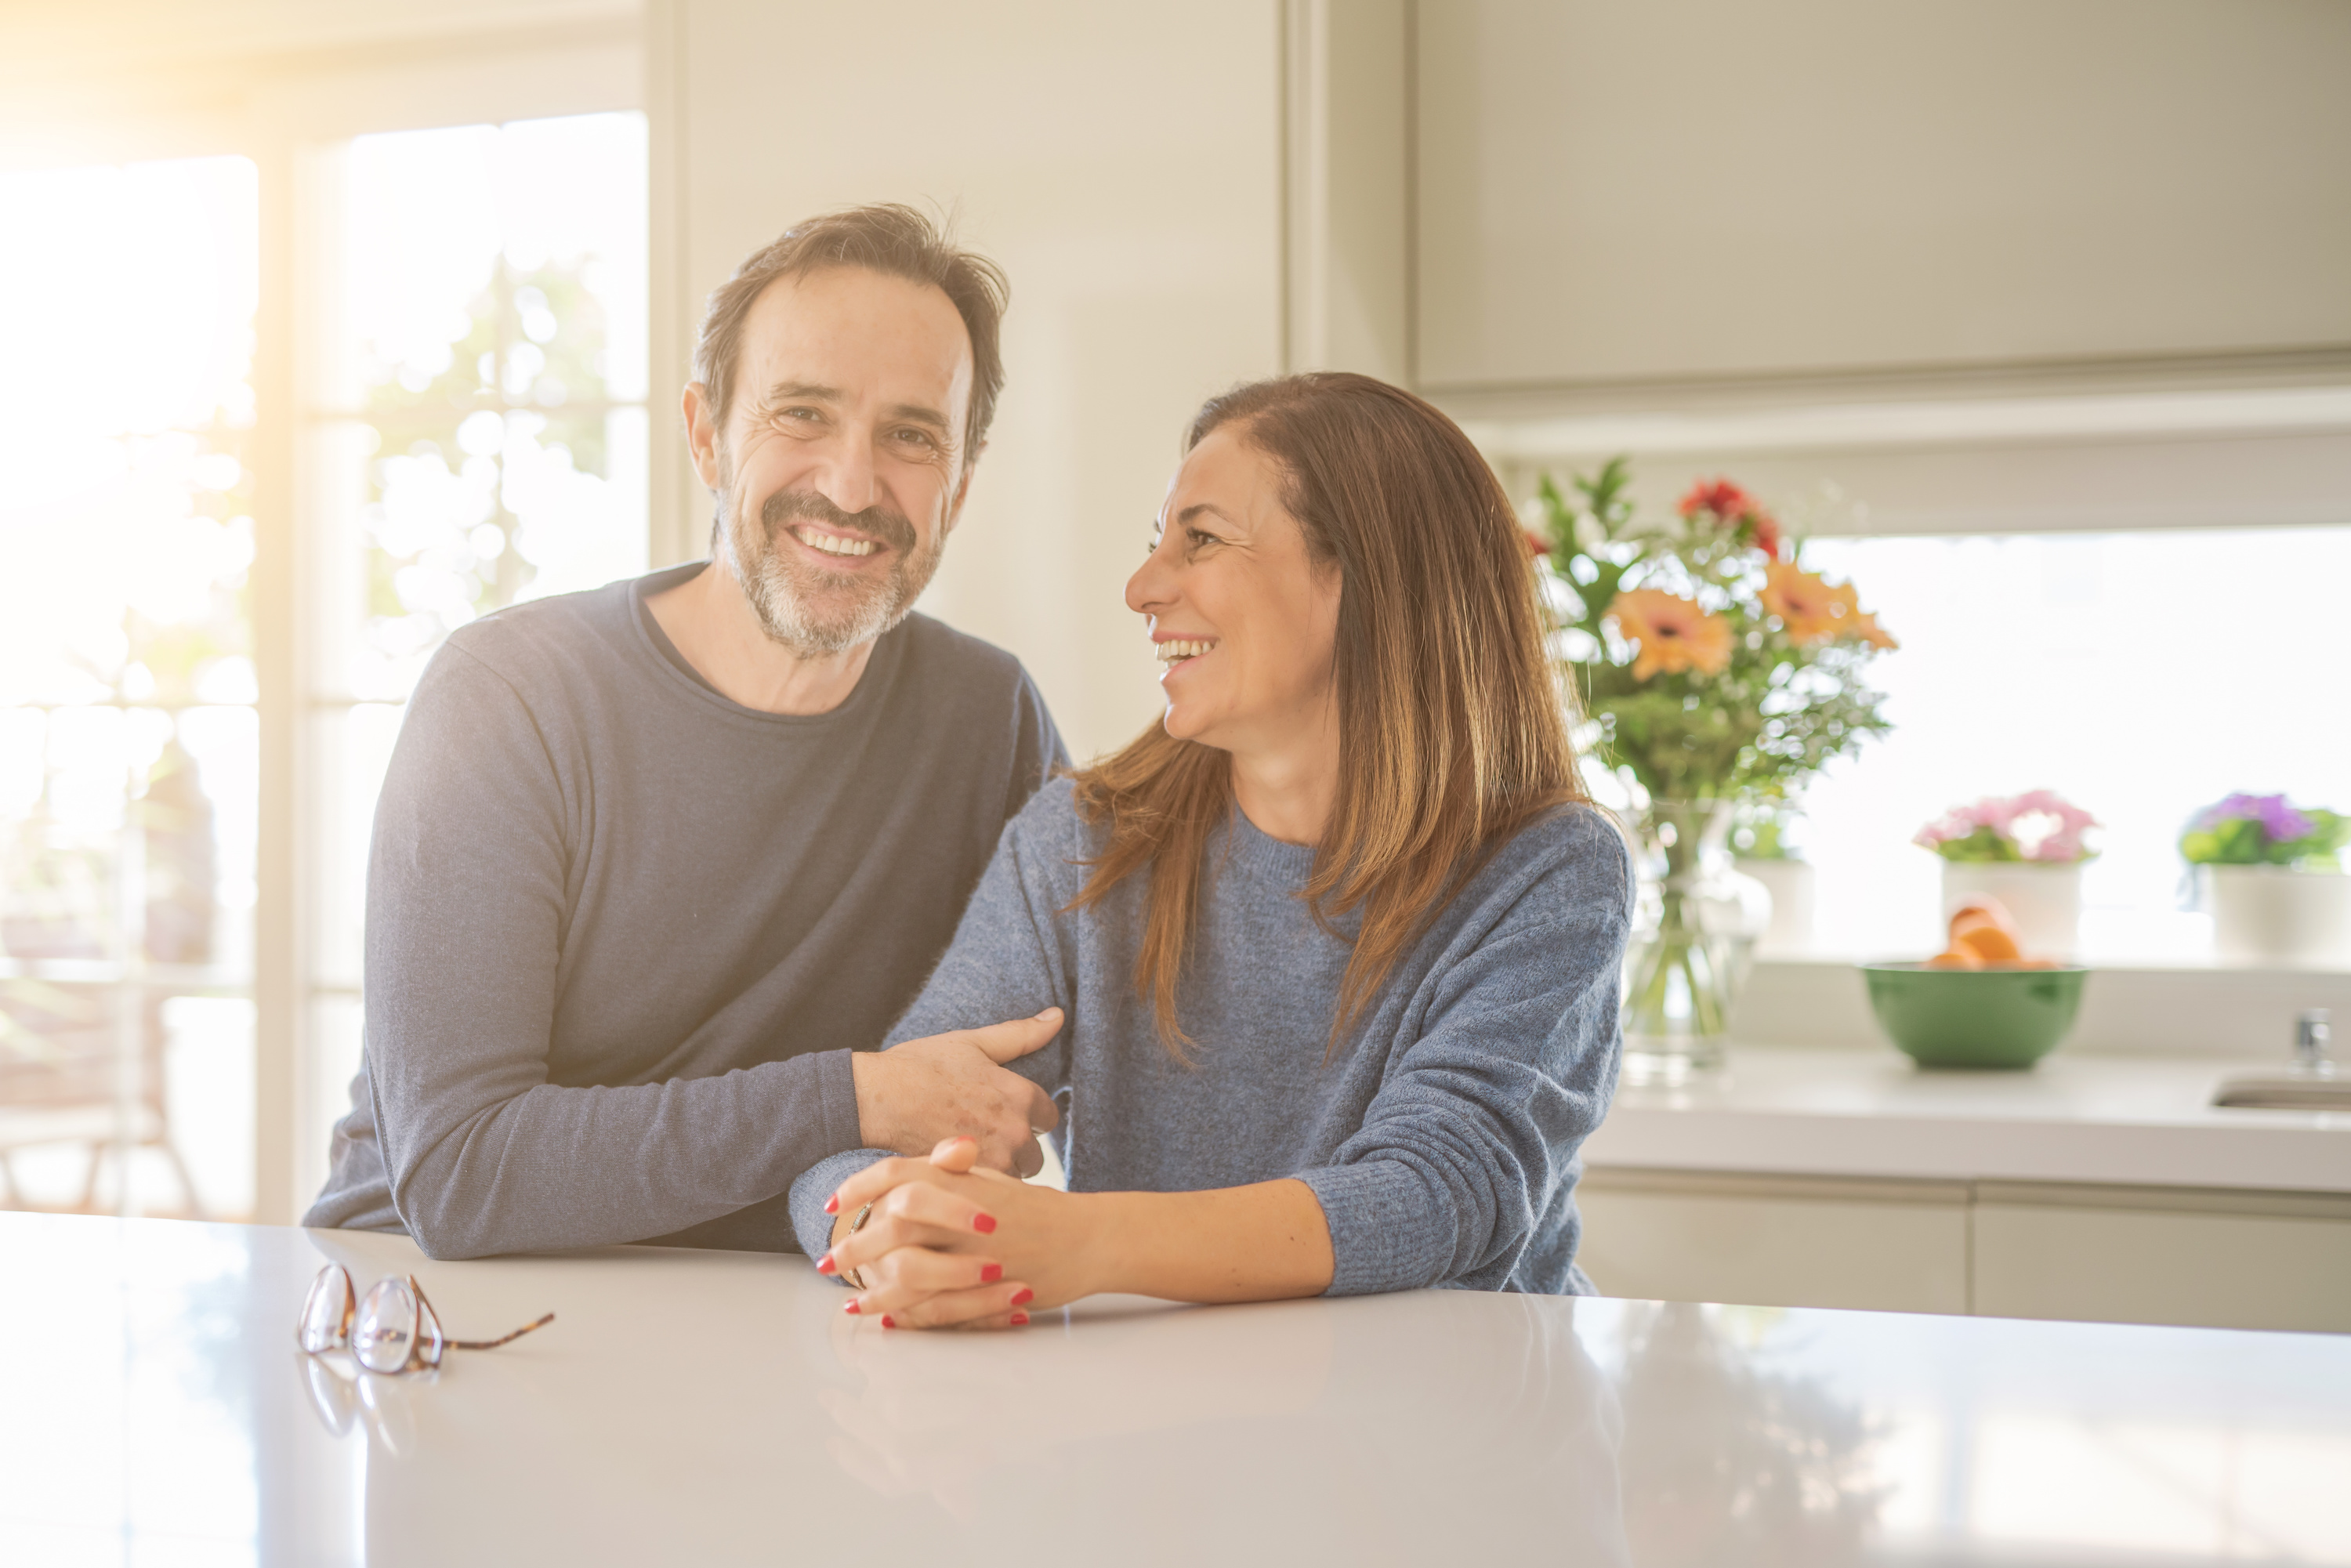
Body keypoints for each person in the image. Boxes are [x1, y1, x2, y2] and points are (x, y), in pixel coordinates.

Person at [303, 205, 1072, 1258]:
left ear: (961, 486)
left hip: (786, 1306)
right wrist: (859, 1098)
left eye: (911, 436)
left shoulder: (989, 717)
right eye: (802, 414)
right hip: (433, 1307)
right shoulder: (510, 698)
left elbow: (1072, 1045)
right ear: (707, 434)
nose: (852, 486)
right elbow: (461, 1173)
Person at [789, 372, 1632, 1326]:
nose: (1142, 589)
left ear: (1364, 576)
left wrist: (1085, 1242)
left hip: (1453, 1399)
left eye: (1201, 540)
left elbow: (1440, 1195)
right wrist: (894, 1231)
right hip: (1162, 1403)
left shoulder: (1548, 871)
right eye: (1157, 543)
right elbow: (873, 1138)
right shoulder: (1084, 843)